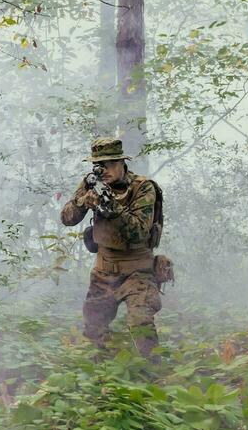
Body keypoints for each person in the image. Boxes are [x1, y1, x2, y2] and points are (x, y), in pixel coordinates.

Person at [60, 136, 169, 358]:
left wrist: (111, 208)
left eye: (110, 163)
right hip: (104, 272)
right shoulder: (92, 182)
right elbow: (67, 218)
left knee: (141, 323)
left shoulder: (143, 187)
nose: (105, 170)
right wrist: (83, 202)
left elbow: (139, 231)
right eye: (99, 165)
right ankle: (104, 376)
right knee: (94, 328)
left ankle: (154, 373)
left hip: (138, 271)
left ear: (122, 163)